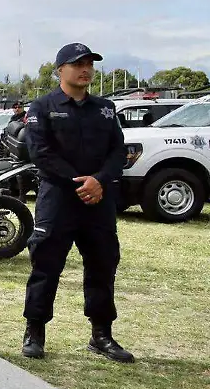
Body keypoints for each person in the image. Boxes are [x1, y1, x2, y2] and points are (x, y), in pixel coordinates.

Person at [21, 44, 133, 362]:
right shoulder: (42, 107)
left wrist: (99, 181)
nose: (85, 70)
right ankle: (35, 331)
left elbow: (118, 152)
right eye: (77, 64)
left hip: (98, 200)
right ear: (60, 70)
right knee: (46, 265)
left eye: (89, 64)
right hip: (58, 199)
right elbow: (40, 152)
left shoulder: (105, 109)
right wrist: (79, 182)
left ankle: (101, 335)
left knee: (102, 265)